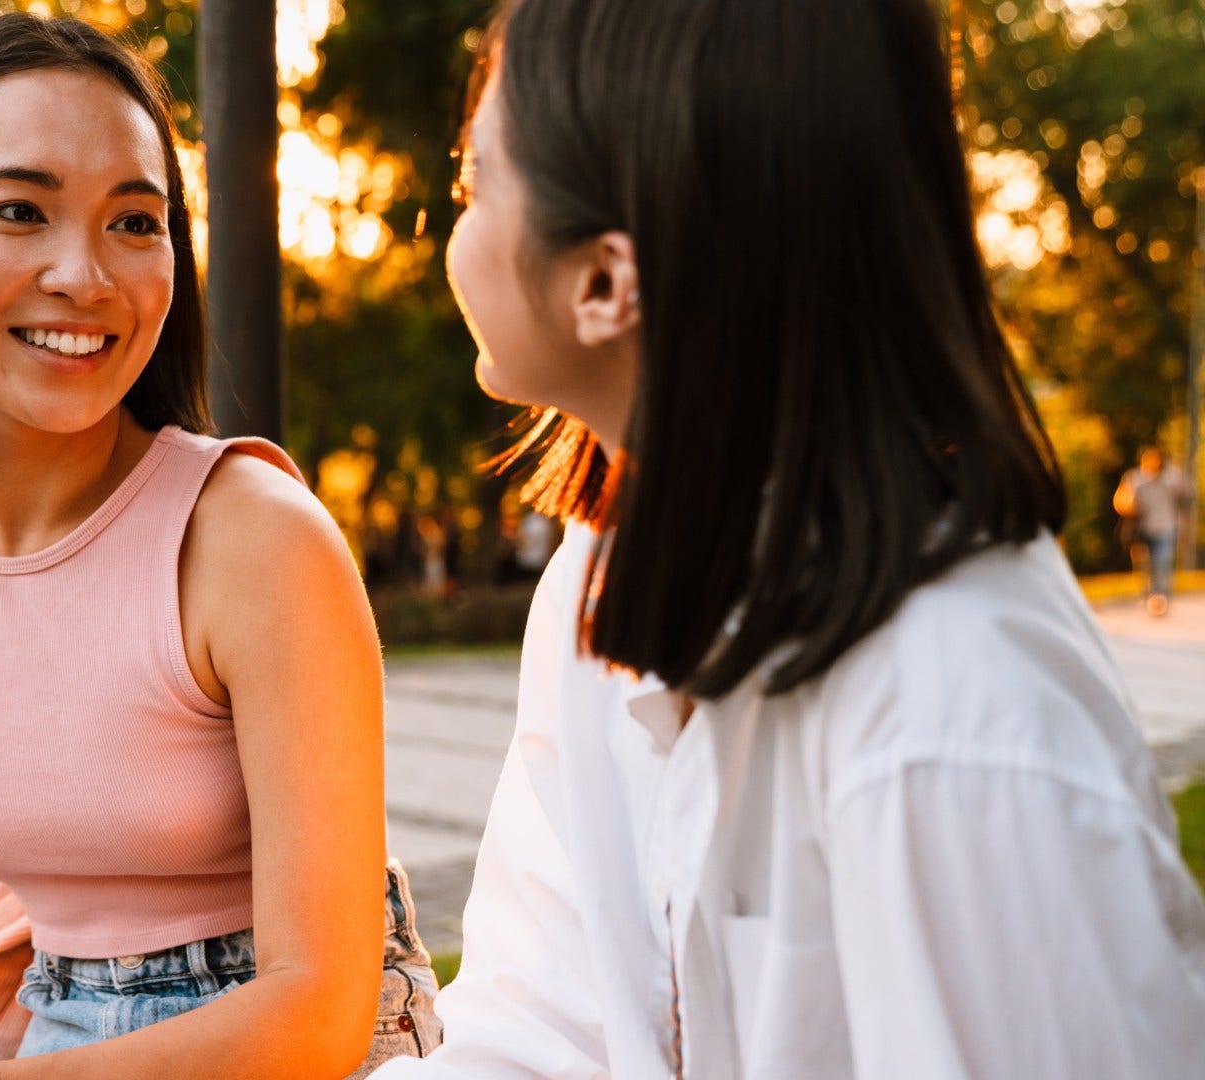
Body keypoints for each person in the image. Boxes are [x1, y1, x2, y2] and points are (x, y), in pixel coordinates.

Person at [374, 0, 1205, 1076]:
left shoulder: (950, 717)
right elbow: (546, 1026)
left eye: (473, 183)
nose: (456, 225)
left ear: (602, 284)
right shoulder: (604, 575)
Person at [0, 14, 437, 1078]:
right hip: (41, 1027)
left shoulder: (255, 539)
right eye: (20, 211)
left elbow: (318, 1011)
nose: (86, 274)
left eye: (135, 221)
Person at [1114, 446, 1190, 616]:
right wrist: (1130, 504)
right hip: (1141, 531)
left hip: (1165, 528)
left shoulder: (1171, 478)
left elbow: (1185, 494)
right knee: (1145, 566)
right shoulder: (1135, 478)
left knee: (1162, 564)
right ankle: (1149, 595)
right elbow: (1119, 501)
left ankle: (1160, 599)